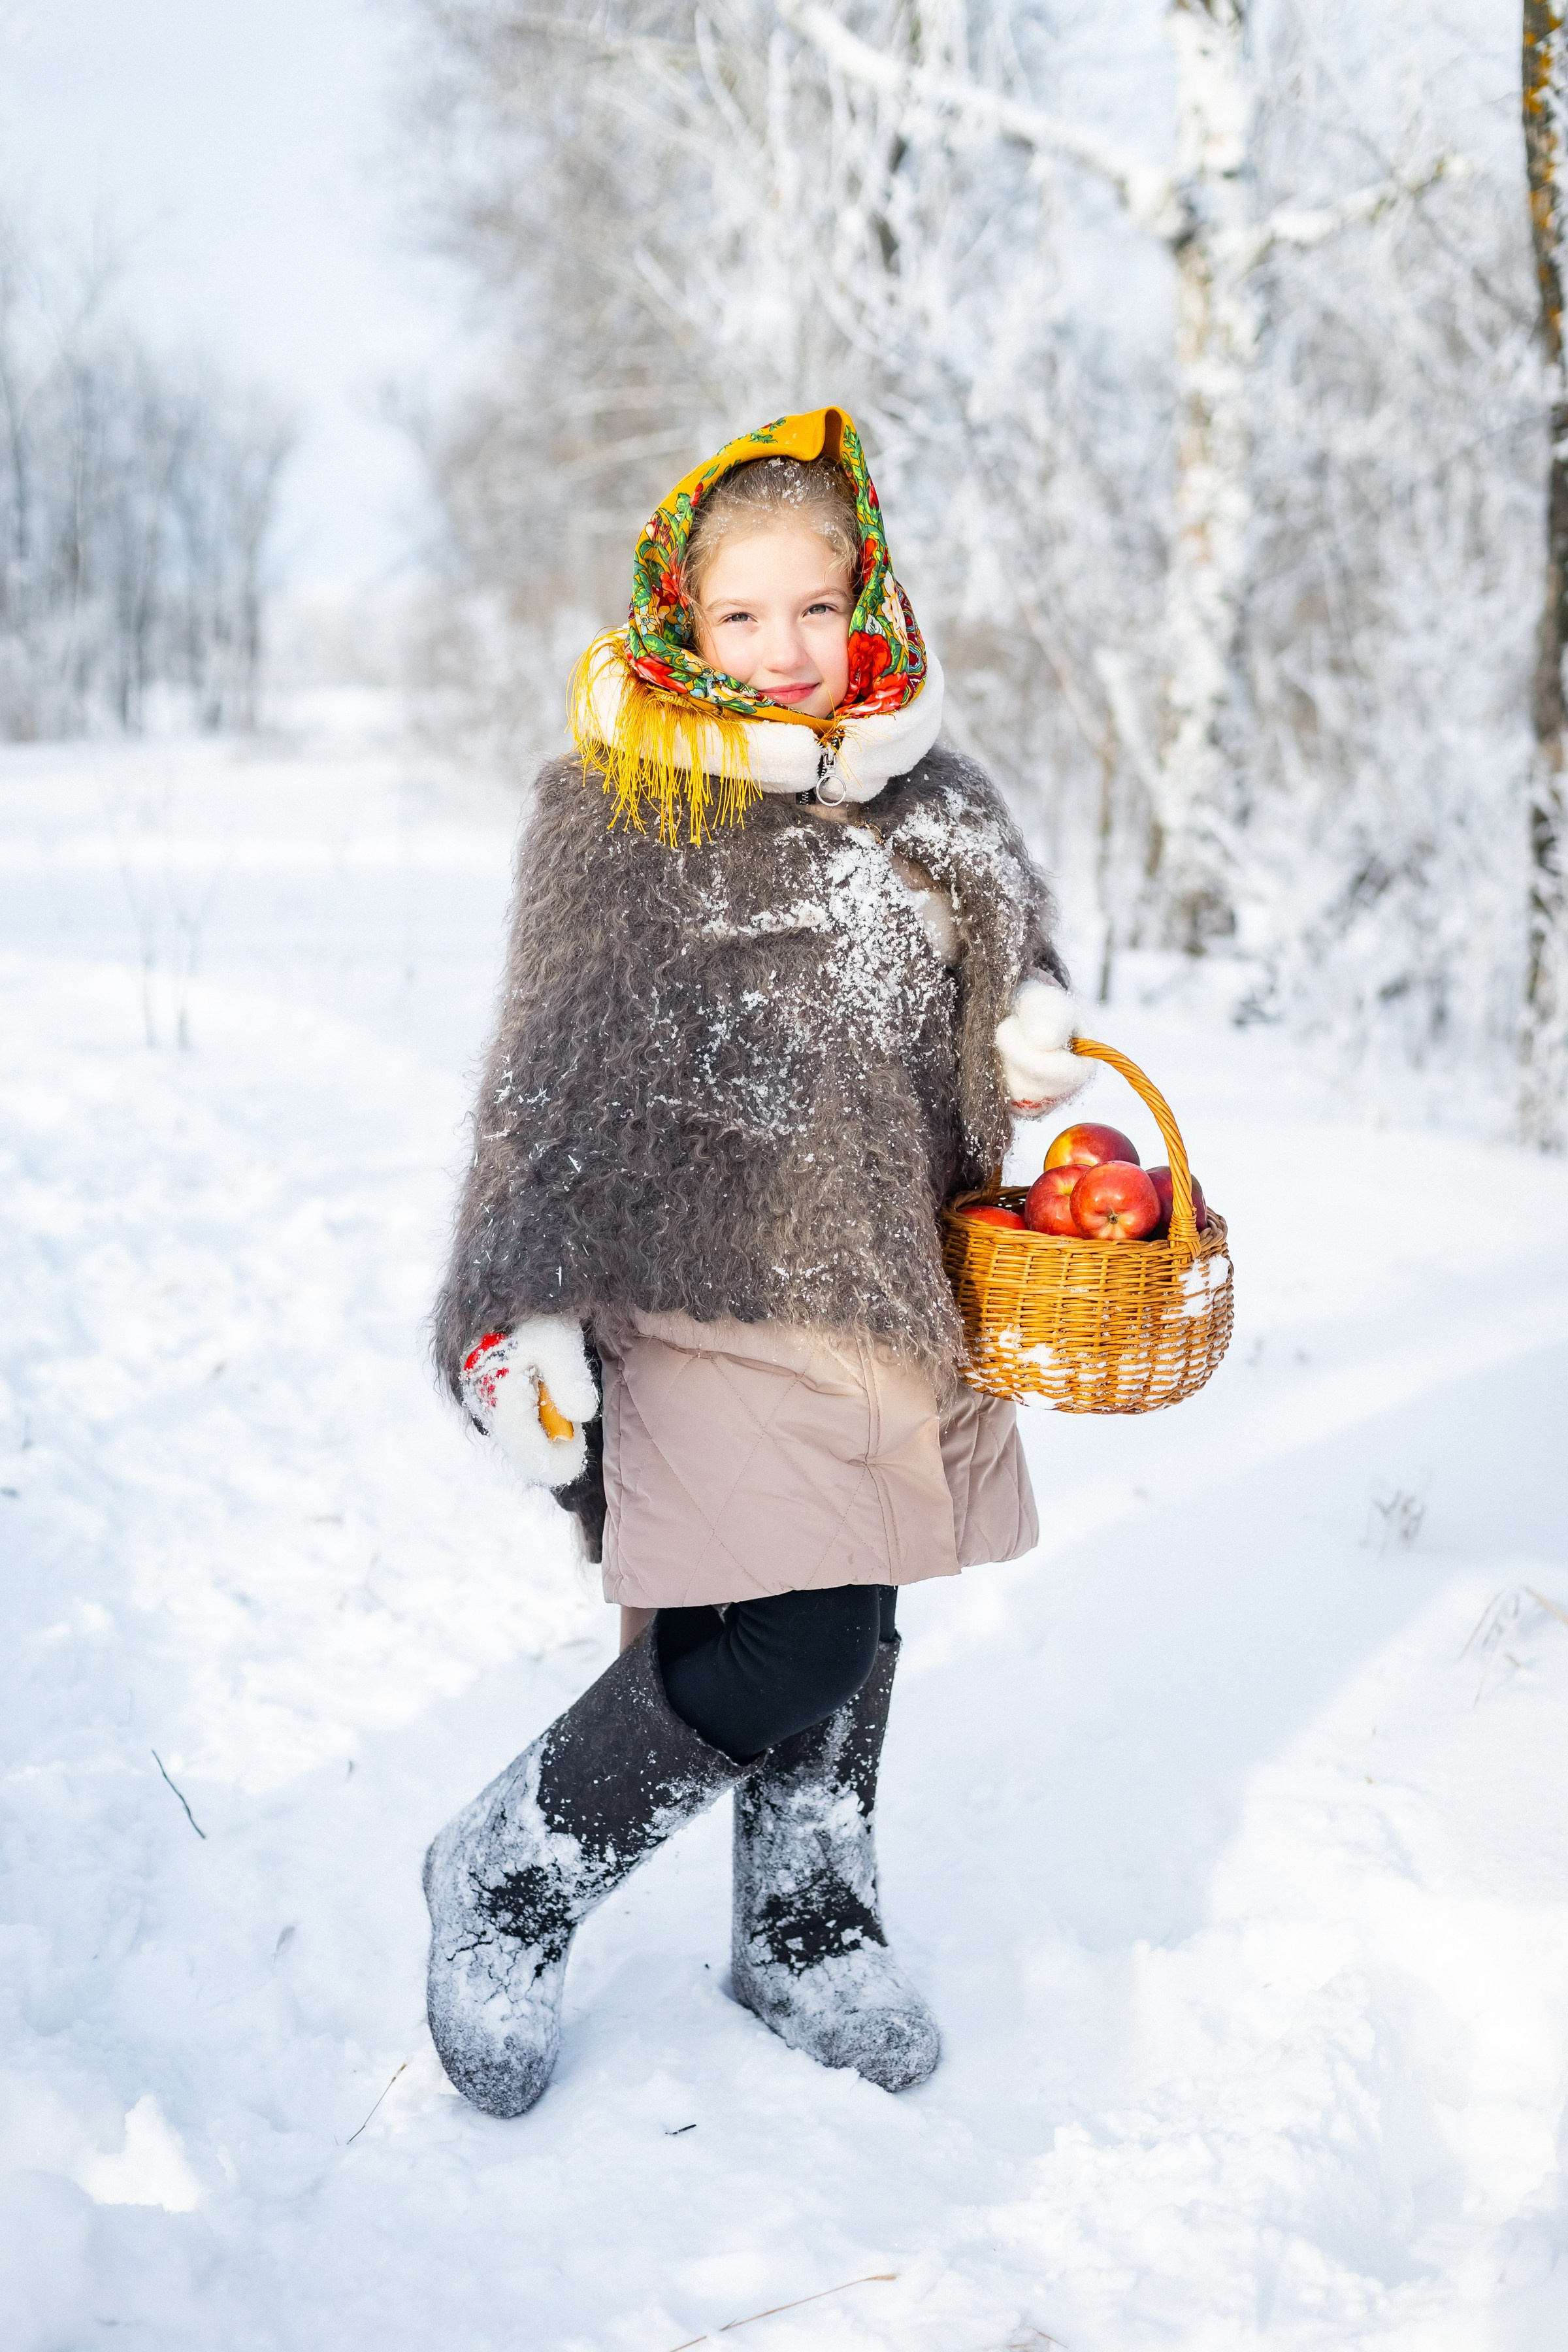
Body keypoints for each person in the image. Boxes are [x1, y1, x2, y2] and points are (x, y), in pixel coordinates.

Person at [423, 407, 1086, 2119]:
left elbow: (1018, 961)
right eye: (743, 618)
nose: (788, 653)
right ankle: (514, 1864)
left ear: (866, 598)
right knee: (801, 1633)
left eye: (819, 607)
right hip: (705, 1284)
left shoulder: (936, 795)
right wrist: (523, 1298)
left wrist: (1033, 1030)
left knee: (849, 1601)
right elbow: (549, 1073)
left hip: (897, 1283)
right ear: (680, 624)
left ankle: (805, 1920)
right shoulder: (623, 808)